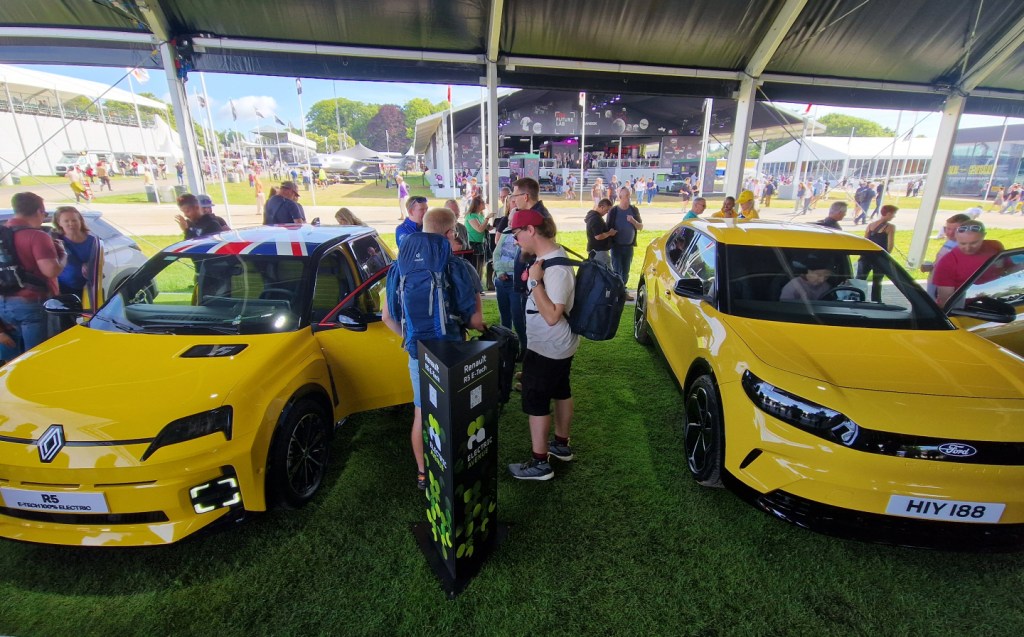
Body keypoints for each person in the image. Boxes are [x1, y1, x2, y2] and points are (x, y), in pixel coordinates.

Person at [382, 206, 484, 490]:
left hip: (419, 352)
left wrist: (410, 341)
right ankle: (456, 466)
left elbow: (388, 317)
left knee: (421, 412)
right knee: (456, 411)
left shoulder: (398, 267)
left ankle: (423, 473)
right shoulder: (459, 267)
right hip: (454, 352)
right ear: (450, 233)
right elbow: (475, 320)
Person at [503, 206, 579, 481]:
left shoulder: (554, 267)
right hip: (556, 346)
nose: (515, 239)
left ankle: (540, 463)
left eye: (516, 232)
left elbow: (552, 316)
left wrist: (535, 281)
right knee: (560, 390)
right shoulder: (548, 258)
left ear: (530, 230)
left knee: (536, 400)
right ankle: (560, 445)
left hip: (549, 346)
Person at [1, 192, 66, 361]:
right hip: (32, 304)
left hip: (3, 305)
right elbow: (51, 271)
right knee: (37, 357)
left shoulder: (2, 234)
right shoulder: (37, 236)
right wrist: (63, 254)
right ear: (39, 211)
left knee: (12, 361)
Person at [932, 221, 1005, 305]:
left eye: (974, 243)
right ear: (956, 237)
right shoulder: (947, 262)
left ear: (983, 236)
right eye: (962, 243)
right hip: (967, 307)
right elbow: (945, 300)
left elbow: (1008, 269)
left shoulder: (995, 247)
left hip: (998, 298)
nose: (968, 248)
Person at [52, 207, 103, 316]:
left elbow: (99, 261)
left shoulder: (92, 240)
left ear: (80, 220)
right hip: (64, 290)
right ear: (59, 223)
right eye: (66, 221)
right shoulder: (56, 241)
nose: (71, 224)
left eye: (74, 220)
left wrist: (90, 265)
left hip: (89, 289)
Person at [492, 209, 527, 355]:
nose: (510, 223)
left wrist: (502, 266)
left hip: (515, 282)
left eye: (513, 220)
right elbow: (496, 254)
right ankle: (506, 348)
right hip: (501, 281)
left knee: (518, 319)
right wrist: (500, 271)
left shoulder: (525, 236)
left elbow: (522, 263)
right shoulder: (506, 231)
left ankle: (524, 350)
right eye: (510, 220)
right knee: (504, 316)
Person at [923, 213, 972, 299]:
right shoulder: (950, 242)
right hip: (934, 284)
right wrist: (932, 266)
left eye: (956, 230)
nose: (950, 233)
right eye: (948, 229)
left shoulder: (965, 247)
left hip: (945, 288)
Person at [856, 204, 897, 301]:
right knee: (877, 282)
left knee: (860, 280)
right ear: (888, 213)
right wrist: (887, 256)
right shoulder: (890, 227)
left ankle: (857, 298)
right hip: (879, 257)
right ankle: (876, 300)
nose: (893, 216)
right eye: (893, 214)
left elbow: (865, 241)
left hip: (866, 256)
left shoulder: (870, 226)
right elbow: (890, 245)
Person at [607, 186, 643, 292]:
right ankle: (617, 291)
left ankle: (623, 289)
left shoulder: (634, 210)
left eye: (629, 195)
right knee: (617, 270)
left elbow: (640, 227)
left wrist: (633, 221)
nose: (628, 198)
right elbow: (607, 227)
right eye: (626, 196)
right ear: (620, 197)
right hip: (616, 246)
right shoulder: (613, 211)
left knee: (626, 270)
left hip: (629, 246)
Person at [464, 196, 494, 284]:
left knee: (481, 266)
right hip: (473, 244)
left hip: (481, 243)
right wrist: (487, 218)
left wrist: (490, 226)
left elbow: (483, 227)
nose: (484, 204)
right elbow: (479, 229)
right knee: (475, 266)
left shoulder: (480, 215)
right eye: (483, 203)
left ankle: (478, 285)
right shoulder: (471, 216)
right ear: (478, 204)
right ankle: (474, 286)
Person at [585, 198, 616, 266]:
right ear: (602, 207)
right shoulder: (596, 219)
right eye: (606, 210)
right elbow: (598, 236)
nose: (607, 212)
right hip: (599, 251)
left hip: (594, 250)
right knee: (606, 273)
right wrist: (610, 233)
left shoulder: (592, 216)